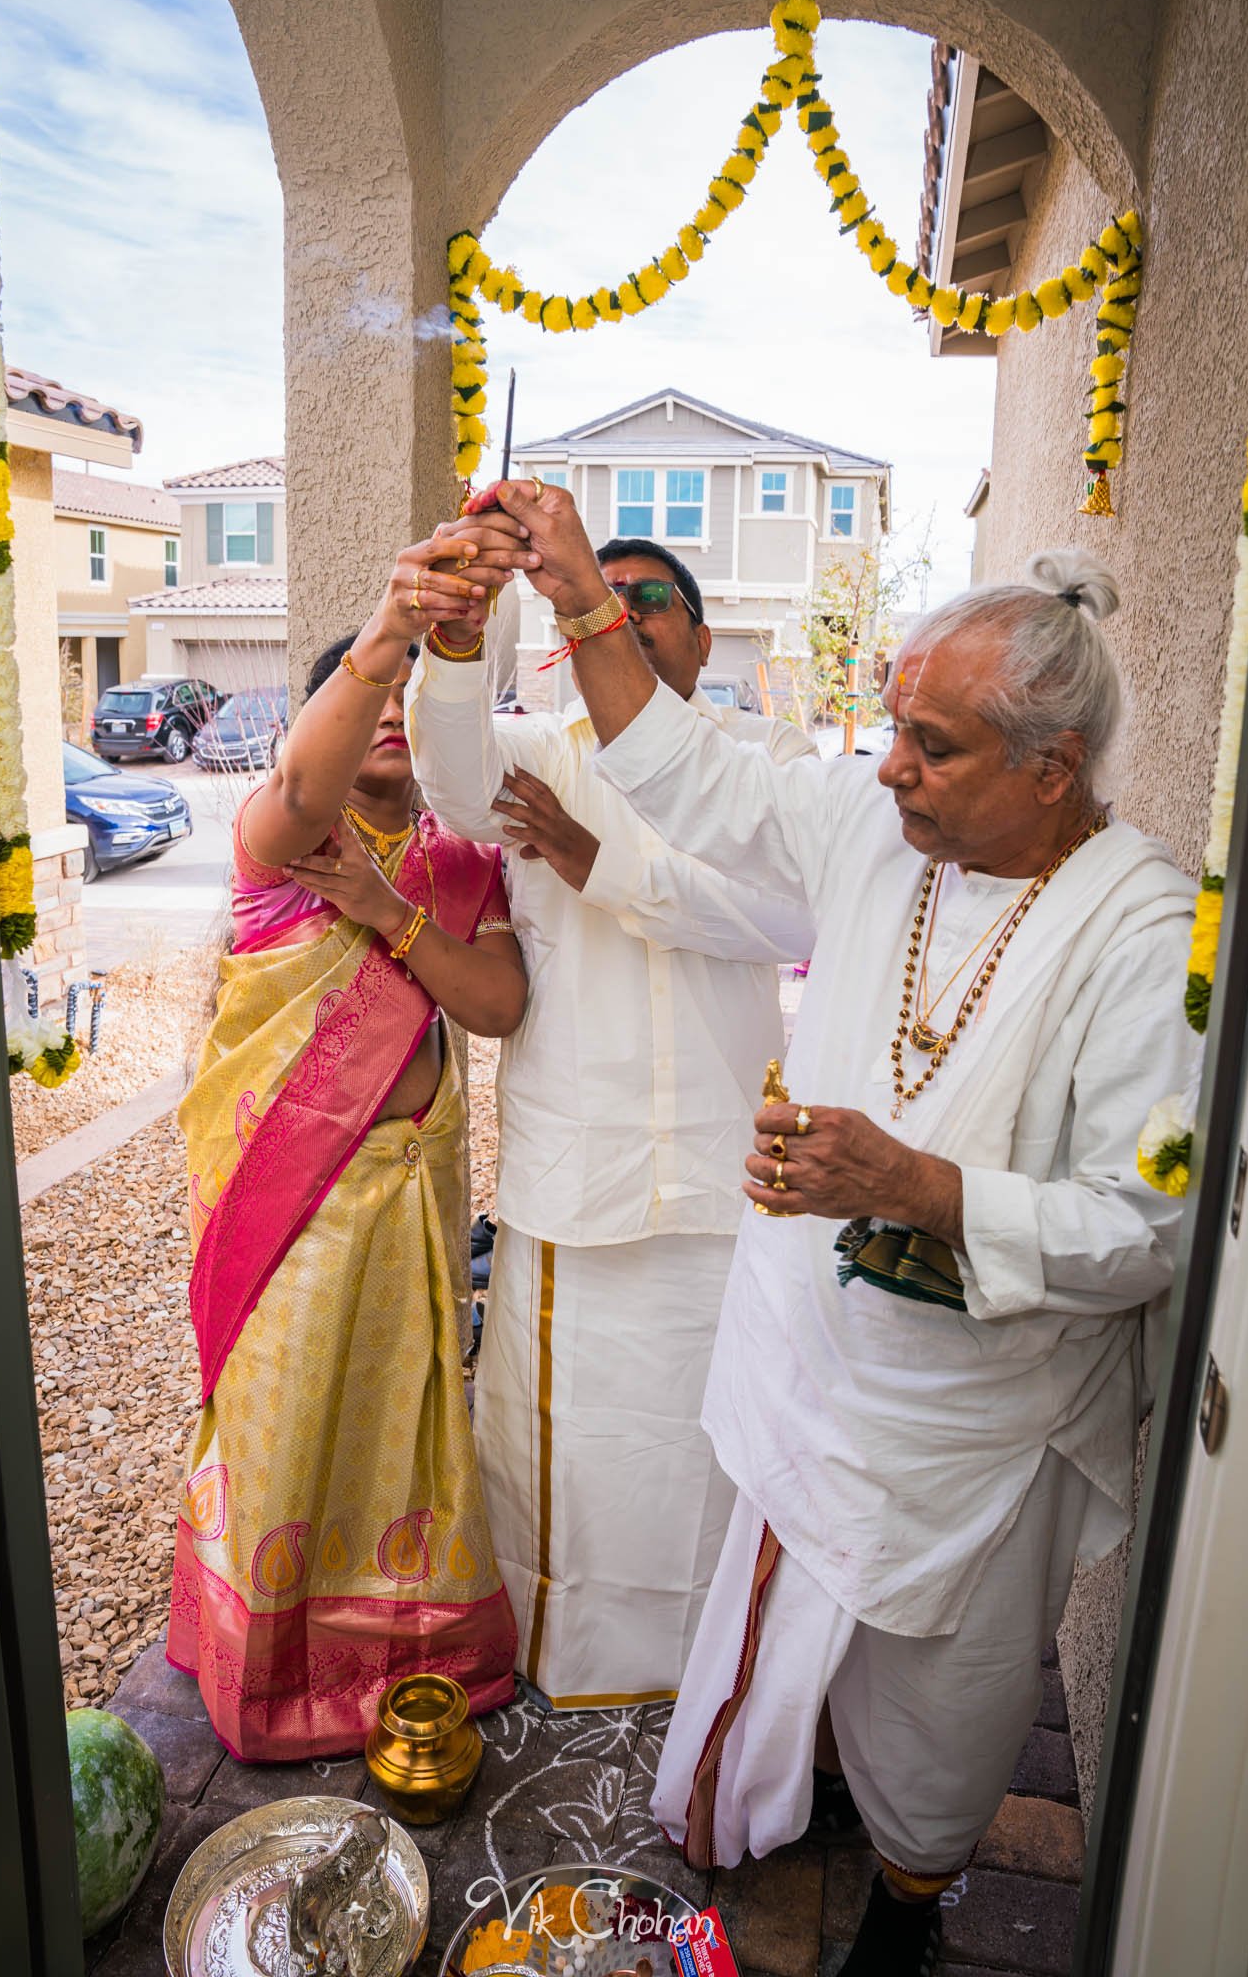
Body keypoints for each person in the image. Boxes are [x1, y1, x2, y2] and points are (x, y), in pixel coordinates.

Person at [481, 476, 1197, 1976]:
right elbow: (690, 772)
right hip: (811, 1349)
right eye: (887, 729)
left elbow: (1144, 1224)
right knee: (774, 1615)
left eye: (929, 747)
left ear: (1051, 768)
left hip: (975, 1423)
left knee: (943, 1708)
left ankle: (912, 1897)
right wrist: (578, 598)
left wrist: (917, 1190)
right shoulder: (880, 834)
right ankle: (772, 1787)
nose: (887, 773)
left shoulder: (1139, 932)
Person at [402, 513, 816, 1710]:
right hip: (572, 1180)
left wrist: (604, 865)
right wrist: (458, 638)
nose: (623, 616)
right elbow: (449, 770)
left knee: (703, 1447)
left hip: (718, 1181)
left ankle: (708, 1666)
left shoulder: (765, 756)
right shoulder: (539, 748)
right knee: (571, 1448)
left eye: (651, 602)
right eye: (603, 596)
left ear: (698, 636)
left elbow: (783, 919)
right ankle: (563, 1659)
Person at [168, 530, 529, 1761]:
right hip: (295, 1208)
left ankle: (392, 1663)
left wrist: (383, 908)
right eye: (369, 698)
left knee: (399, 1432)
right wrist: (389, 628)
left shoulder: (459, 866)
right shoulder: (282, 843)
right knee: (287, 1423)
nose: (388, 717)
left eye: (408, 701)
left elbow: (494, 1004)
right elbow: (311, 787)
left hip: (411, 1203)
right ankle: (268, 1682)